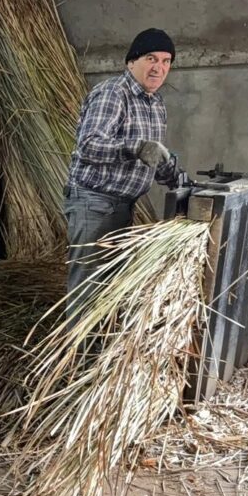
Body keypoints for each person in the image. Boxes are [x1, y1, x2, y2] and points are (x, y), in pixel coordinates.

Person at [64, 28, 183, 311]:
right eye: (151, 58)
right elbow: (89, 146)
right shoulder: (113, 93)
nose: (159, 68)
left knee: (110, 287)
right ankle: (81, 355)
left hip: (122, 206)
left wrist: (178, 179)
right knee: (88, 289)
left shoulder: (155, 104)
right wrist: (136, 148)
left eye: (166, 61)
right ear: (132, 62)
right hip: (94, 203)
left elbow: (153, 157)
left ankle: (100, 351)